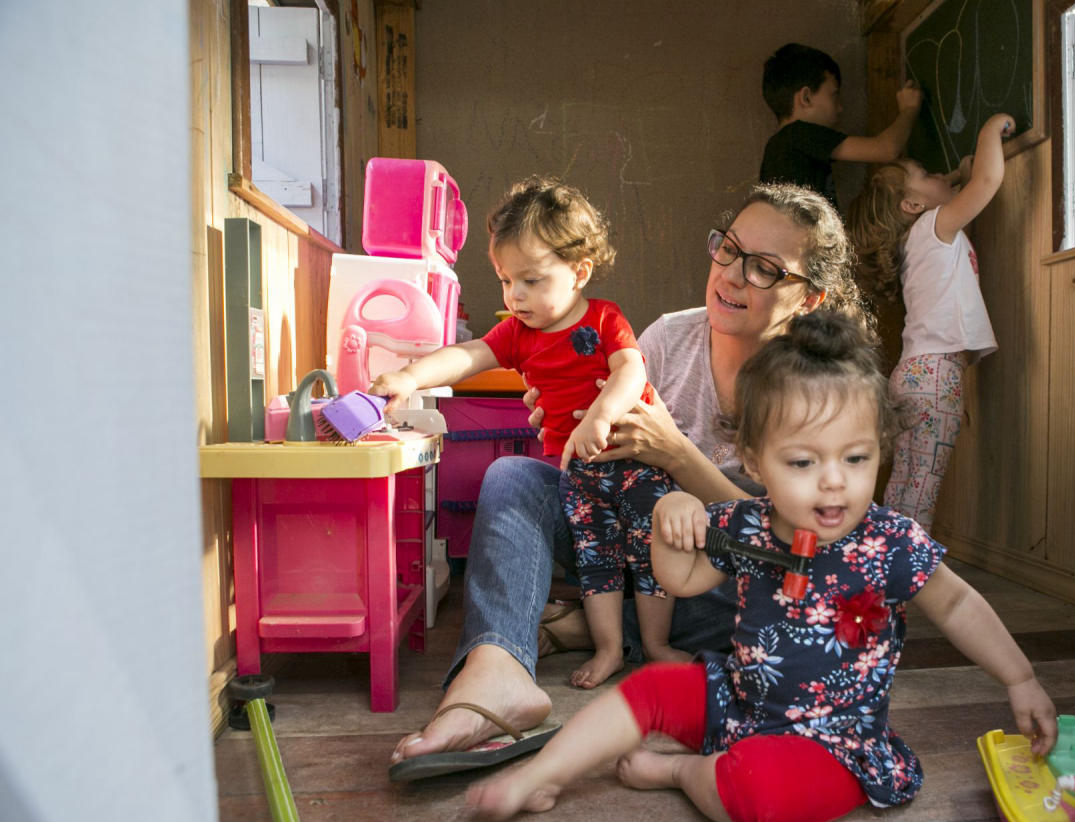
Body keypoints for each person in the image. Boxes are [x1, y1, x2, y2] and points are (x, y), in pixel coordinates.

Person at [466, 310, 1058, 822]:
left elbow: (956, 604)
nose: (834, 480)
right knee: (648, 687)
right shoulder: (747, 523)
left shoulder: (890, 540)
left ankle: (683, 773)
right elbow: (682, 581)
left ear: (880, 445)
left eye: (857, 458)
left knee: (761, 798)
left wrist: (1019, 678)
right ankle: (540, 776)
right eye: (802, 461)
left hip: (834, 745)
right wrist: (673, 517)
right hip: (739, 701)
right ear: (754, 459)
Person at [388, 183, 862, 781]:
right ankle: (498, 667)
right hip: (631, 545)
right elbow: (592, 430)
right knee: (513, 477)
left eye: (765, 268)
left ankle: (589, 622)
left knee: (804, 606)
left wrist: (678, 455)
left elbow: (806, 543)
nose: (734, 276)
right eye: (729, 249)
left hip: (722, 581)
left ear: (809, 298)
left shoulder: (821, 391)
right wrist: (567, 417)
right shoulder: (668, 337)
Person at [370, 176, 689, 692]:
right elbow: (467, 356)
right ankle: (609, 647)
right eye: (504, 280)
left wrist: (599, 417)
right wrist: (409, 377)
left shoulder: (605, 319)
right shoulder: (519, 334)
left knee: (653, 554)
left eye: (532, 280)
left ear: (579, 271)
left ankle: (655, 646)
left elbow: (632, 373)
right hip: (581, 477)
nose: (515, 295)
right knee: (596, 561)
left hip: (636, 467)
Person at [847, 113, 1015, 530]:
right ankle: (911, 577)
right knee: (922, 487)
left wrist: (954, 174)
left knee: (905, 484)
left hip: (914, 374)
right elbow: (986, 183)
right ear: (912, 206)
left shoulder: (916, 236)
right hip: (937, 376)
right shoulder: (932, 226)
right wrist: (989, 127)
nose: (938, 173)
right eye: (924, 173)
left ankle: (885, 568)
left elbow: (952, 187)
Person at [759, 43, 922, 208]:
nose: (840, 108)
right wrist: (909, 109)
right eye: (834, 95)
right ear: (806, 98)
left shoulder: (780, 148)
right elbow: (886, 149)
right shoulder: (798, 134)